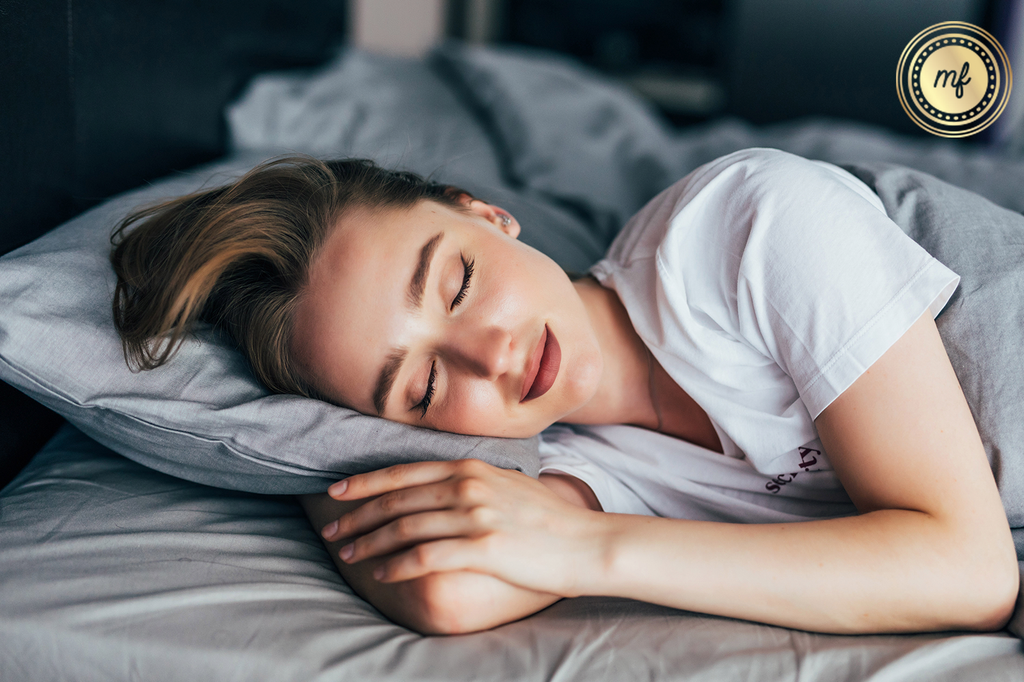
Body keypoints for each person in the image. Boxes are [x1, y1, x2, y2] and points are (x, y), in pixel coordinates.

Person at [110, 149, 1018, 636]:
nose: (490, 357)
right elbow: (450, 594)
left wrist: (587, 549)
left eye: (458, 282)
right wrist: (307, 441)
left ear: (484, 213)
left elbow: (970, 575)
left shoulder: (750, 221)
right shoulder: (568, 467)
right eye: (422, 385)